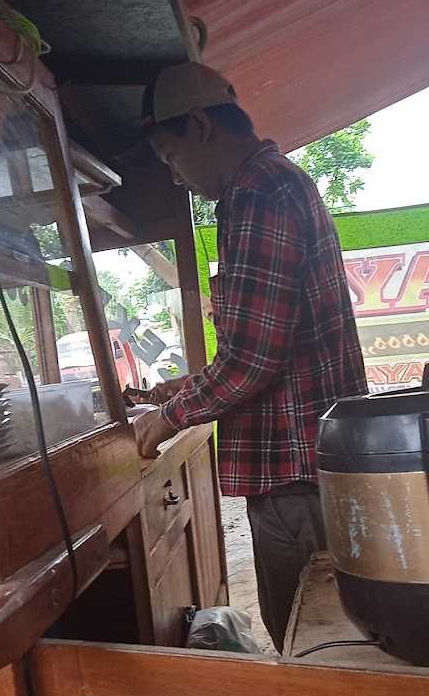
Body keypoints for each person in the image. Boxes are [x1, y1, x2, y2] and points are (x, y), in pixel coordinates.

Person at [132, 62, 367, 653]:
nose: (177, 176)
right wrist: (184, 387)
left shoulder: (257, 193)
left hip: (295, 471)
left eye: (170, 157)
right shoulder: (271, 184)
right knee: (325, 632)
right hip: (309, 463)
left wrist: (168, 418)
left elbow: (254, 360)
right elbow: (262, 348)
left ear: (201, 128)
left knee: (309, 639)